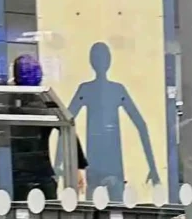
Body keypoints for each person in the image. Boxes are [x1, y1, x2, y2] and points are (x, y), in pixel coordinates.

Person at [68, 41, 160, 201]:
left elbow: (65, 123)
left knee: (99, 212)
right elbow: (66, 122)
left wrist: (60, 165)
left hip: (104, 163)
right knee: (110, 211)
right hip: (100, 163)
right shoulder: (104, 89)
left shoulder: (106, 89)